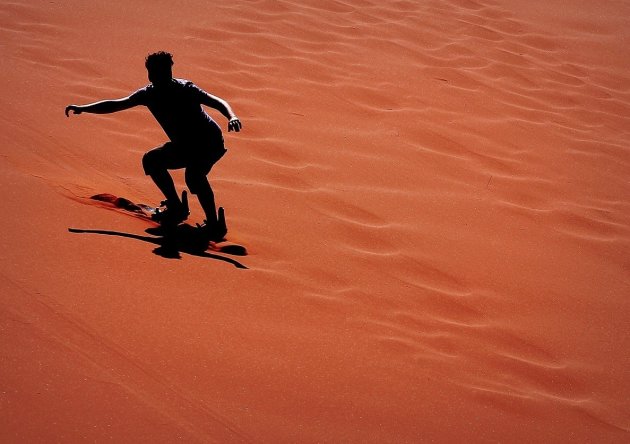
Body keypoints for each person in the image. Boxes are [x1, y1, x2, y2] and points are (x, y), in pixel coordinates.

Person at [65, 51, 241, 241]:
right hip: (184, 146)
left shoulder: (186, 88)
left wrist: (232, 116)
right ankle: (176, 207)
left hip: (209, 142)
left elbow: (217, 102)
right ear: (149, 74)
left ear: (170, 72)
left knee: (194, 176)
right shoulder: (148, 94)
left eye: (163, 72)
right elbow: (115, 105)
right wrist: (84, 108)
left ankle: (213, 224)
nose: (159, 77)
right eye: (155, 73)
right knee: (152, 160)